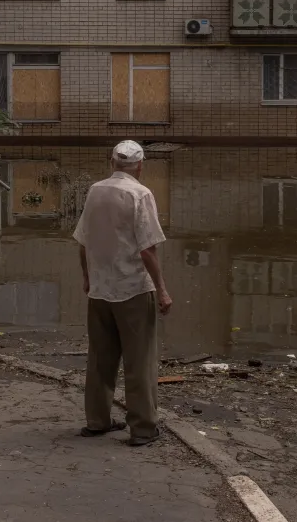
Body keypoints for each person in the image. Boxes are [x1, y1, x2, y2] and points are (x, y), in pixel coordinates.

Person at [74, 140, 172, 447]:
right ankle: (143, 428)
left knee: (101, 359)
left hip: (100, 290)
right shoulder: (140, 194)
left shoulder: (95, 191)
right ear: (140, 166)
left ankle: (97, 421)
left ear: (112, 162)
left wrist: (88, 278)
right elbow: (148, 249)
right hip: (132, 289)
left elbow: (83, 242)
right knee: (139, 360)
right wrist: (162, 290)